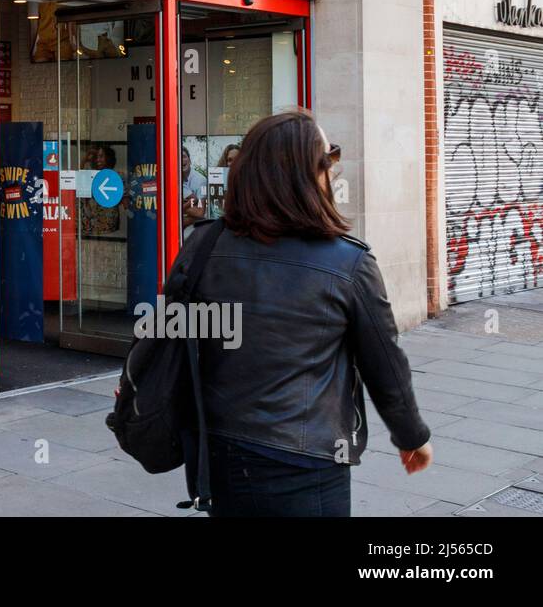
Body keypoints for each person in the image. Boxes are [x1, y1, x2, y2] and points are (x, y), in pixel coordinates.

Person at [172, 109, 432, 517]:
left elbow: (171, 337)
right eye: (330, 157)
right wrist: (411, 435)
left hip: (219, 451)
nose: (335, 168)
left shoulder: (202, 246)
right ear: (308, 176)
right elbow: (385, 364)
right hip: (305, 460)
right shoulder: (349, 263)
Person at [180, 147, 208, 236]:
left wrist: (178, 207)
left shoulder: (200, 180)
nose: (181, 160)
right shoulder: (175, 180)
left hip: (196, 230)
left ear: (190, 160)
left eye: (184, 156)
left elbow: (200, 212)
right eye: (178, 157)